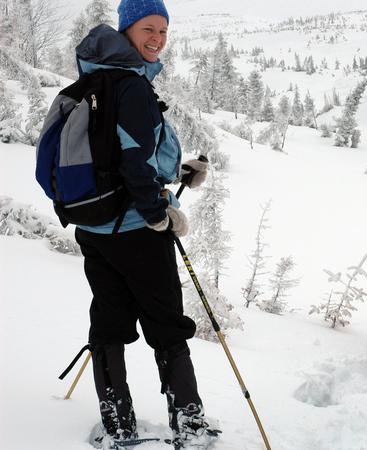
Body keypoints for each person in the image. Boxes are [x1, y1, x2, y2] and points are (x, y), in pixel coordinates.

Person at [70, 1, 214, 447]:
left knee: (109, 321)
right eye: (148, 28)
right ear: (127, 30)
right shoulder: (131, 87)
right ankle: (189, 426)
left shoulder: (95, 79)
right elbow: (134, 162)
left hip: (94, 228)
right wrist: (158, 214)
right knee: (166, 323)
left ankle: (117, 426)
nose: (157, 39)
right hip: (136, 230)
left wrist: (176, 173)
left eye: (164, 31)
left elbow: (118, 155)